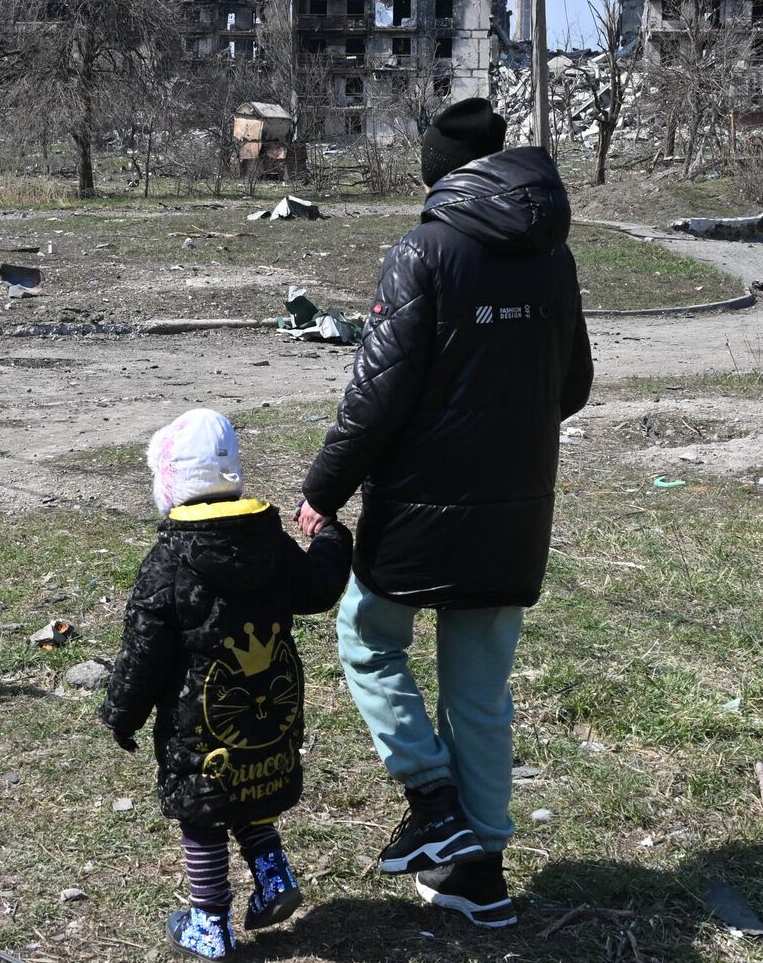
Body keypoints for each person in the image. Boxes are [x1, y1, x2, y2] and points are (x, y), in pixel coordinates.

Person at [294, 98, 593, 929]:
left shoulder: (422, 251)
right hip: (517, 504)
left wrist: (321, 490)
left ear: (436, 168)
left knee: (367, 635)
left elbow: (374, 400)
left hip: (420, 509)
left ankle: (432, 803)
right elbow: (572, 387)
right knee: (481, 692)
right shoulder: (553, 253)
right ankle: (480, 871)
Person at [100, 409, 353, 959]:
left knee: (204, 815)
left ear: (167, 486)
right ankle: (275, 878)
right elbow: (317, 588)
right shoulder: (270, 542)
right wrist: (332, 537)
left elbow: (143, 651)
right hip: (269, 715)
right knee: (251, 794)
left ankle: (208, 922)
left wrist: (122, 713)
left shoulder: (168, 560)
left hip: (201, 727)